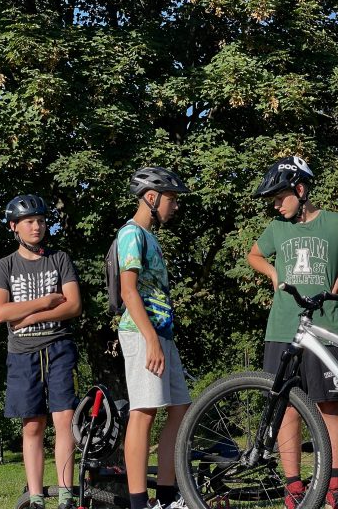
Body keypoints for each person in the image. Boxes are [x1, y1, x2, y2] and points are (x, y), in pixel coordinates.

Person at [247, 156, 338, 509]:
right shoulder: (277, 230)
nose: (276, 205)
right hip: (283, 328)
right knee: (287, 407)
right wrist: (273, 274)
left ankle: (334, 486)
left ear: (300, 189)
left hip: (327, 327)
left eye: (280, 197)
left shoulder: (337, 224)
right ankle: (294, 488)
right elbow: (254, 255)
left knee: (330, 404)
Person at [0, 194, 82, 509]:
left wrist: (30, 316)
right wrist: (45, 301)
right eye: (29, 221)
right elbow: (0, 313)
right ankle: (37, 496)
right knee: (32, 424)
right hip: (22, 353)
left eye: (41, 220)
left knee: (65, 419)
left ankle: (67, 494)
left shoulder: (59, 259)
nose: (37, 227)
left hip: (58, 347)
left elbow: (73, 304)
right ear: (14, 226)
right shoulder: (5, 266)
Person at [117, 166, 192, 509]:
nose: (174, 206)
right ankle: (138, 502)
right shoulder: (131, 234)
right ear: (151, 197)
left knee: (180, 409)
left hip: (163, 333)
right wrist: (148, 339)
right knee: (144, 411)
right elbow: (128, 291)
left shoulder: (150, 237)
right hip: (140, 333)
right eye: (171, 199)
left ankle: (166, 496)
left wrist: (160, 337)